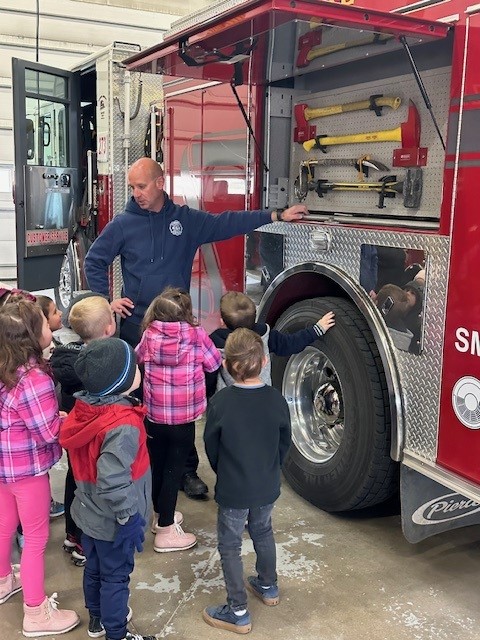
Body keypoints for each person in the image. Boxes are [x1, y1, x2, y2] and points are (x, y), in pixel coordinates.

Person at [59, 338, 155, 640]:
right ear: (122, 382)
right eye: (136, 368)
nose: (140, 369)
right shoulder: (123, 425)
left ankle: (97, 619)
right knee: (116, 577)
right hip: (114, 521)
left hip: (88, 514)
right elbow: (113, 479)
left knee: (95, 569)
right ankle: (117, 633)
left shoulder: (84, 408)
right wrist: (129, 518)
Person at [203, 328, 291, 634]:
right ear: (265, 361)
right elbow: (284, 443)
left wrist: (224, 472)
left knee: (230, 546)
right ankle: (268, 586)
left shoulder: (221, 402)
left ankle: (238, 610)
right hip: (267, 484)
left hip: (233, 488)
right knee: (263, 531)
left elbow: (211, 446)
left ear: (226, 365)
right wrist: (271, 469)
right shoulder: (277, 399)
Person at [0, 300, 80, 637]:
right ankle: (35, 613)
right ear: (34, 335)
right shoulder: (34, 380)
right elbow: (46, 432)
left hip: (3, 466)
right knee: (35, 538)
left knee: (4, 525)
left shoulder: (4, 366)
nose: (52, 328)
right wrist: (62, 420)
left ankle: (3, 579)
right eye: (46, 324)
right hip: (27, 471)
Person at [135, 287, 222, 552]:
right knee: (174, 470)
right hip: (183, 418)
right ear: (187, 312)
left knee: (158, 467)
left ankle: (160, 515)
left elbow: (137, 357)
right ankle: (165, 531)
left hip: (154, 415)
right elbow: (214, 364)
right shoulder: (197, 335)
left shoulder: (149, 335)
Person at [50, 295, 117, 567]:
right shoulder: (105, 362)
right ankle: (84, 542)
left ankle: (72, 533)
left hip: (73, 430)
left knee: (74, 477)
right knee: (92, 484)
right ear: (109, 328)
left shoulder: (68, 360)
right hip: (95, 434)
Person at [207, 290, 335, 395]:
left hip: (228, 402)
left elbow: (210, 374)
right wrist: (317, 329)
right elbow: (292, 343)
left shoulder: (214, 343)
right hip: (262, 397)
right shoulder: (265, 336)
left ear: (222, 321)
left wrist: (209, 396)